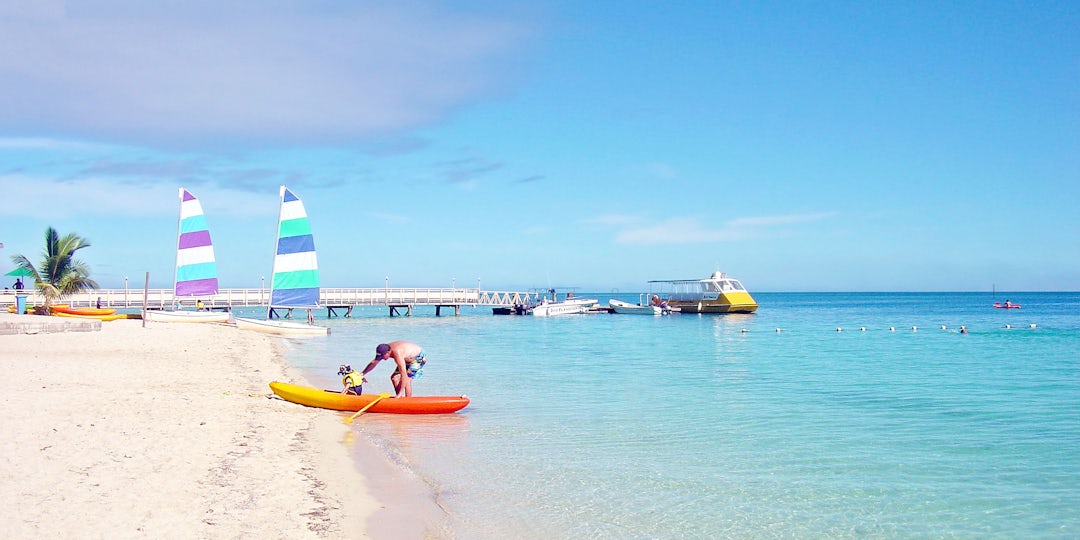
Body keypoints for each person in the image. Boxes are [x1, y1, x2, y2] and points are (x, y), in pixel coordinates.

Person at [360, 341, 426, 398]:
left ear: (388, 352)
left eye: (383, 356)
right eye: (380, 356)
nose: (382, 358)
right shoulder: (383, 349)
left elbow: (403, 374)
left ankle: (407, 400)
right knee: (394, 378)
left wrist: (400, 392)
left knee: (407, 380)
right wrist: (362, 374)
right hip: (406, 358)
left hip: (418, 357)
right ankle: (399, 398)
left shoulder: (397, 354)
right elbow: (374, 363)